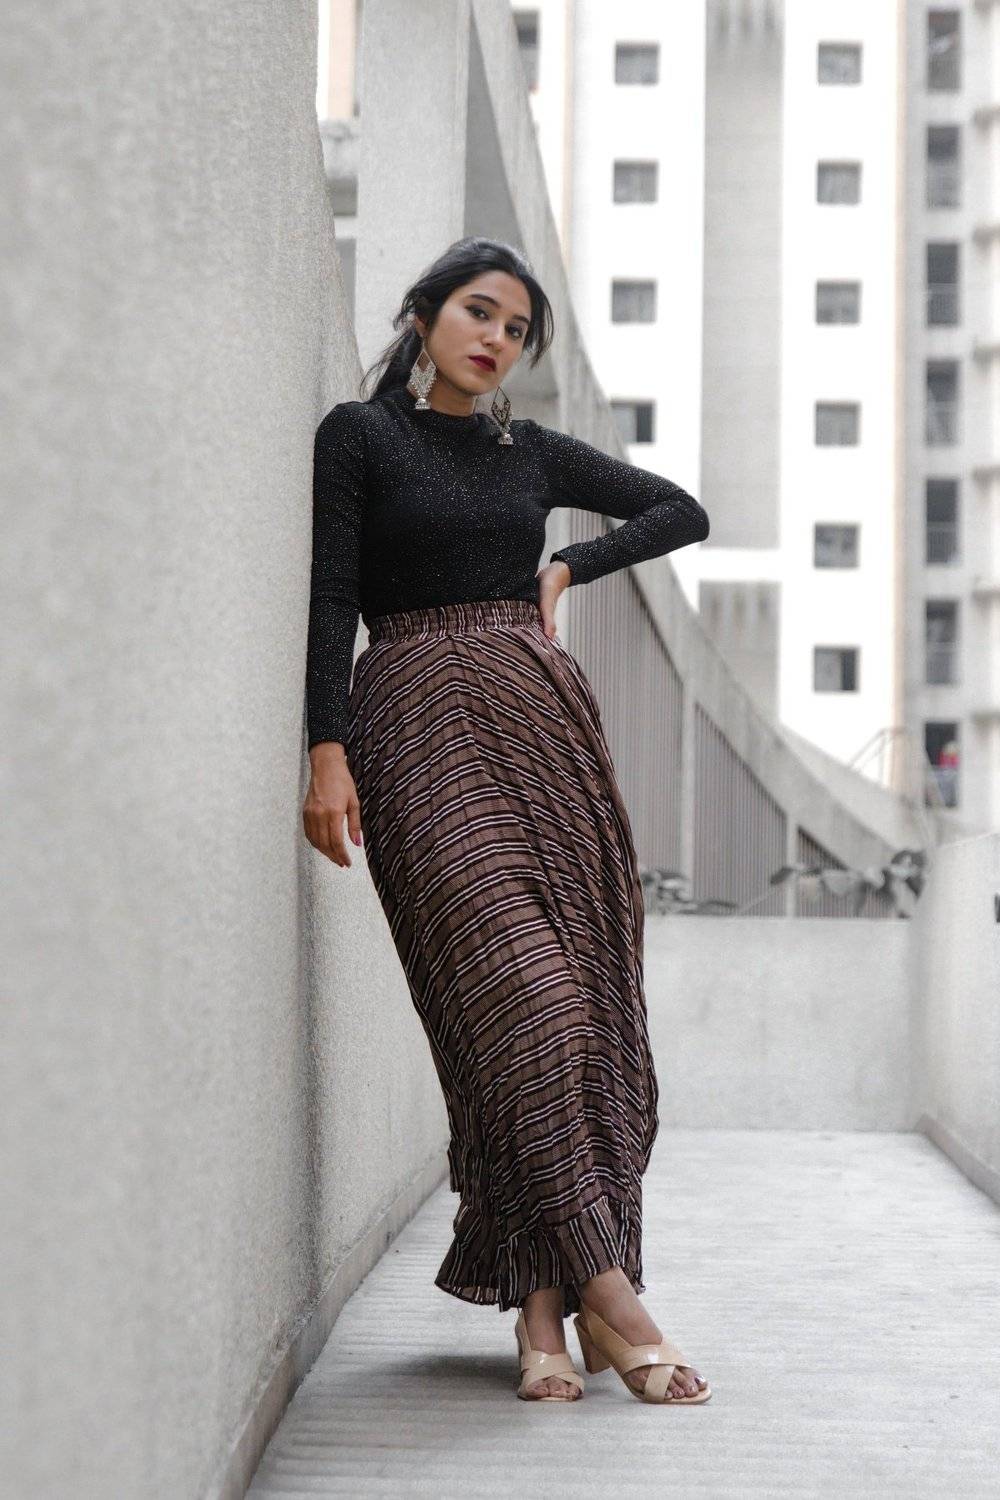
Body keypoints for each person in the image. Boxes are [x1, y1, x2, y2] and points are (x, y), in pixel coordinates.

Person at [302, 236, 712, 1406]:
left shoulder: (528, 453)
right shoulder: (359, 436)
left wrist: (568, 566)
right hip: (410, 720)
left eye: (517, 329)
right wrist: (324, 750)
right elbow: (332, 596)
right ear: (423, 314)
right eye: (478, 312)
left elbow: (679, 510)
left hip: (540, 726)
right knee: (516, 999)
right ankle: (612, 1298)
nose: (496, 339)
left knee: (577, 1006)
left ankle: (540, 1313)